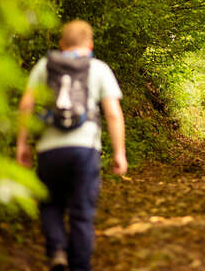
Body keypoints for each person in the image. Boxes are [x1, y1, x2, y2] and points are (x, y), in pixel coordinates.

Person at [16, 20, 127, 271]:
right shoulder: (98, 68)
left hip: (49, 150)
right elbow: (112, 113)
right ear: (90, 44)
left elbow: (26, 105)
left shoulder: (45, 66)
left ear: (61, 44)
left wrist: (22, 145)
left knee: (51, 204)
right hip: (84, 150)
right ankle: (79, 266)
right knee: (82, 212)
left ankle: (56, 249)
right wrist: (119, 152)